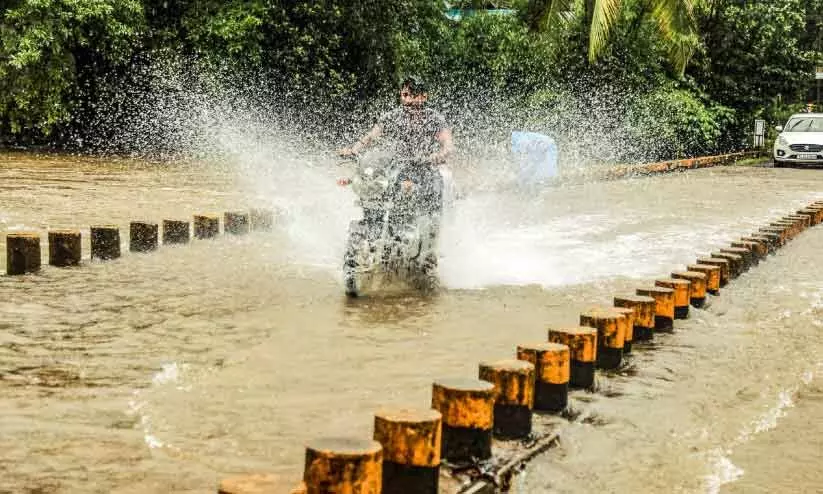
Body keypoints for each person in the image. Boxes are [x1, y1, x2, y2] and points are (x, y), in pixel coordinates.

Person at [337, 76, 455, 237]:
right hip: (396, 169)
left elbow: (448, 145)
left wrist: (436, 156)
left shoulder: (434, 119)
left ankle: (430, 244)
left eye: (413, 95)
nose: (408, 99)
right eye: (405, 95)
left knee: (433, 191)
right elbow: (370, 137)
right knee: (371, 187)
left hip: (424, 168)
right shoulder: (393, 116)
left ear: (424, 96)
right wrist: (353, 149)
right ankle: (372, 231)